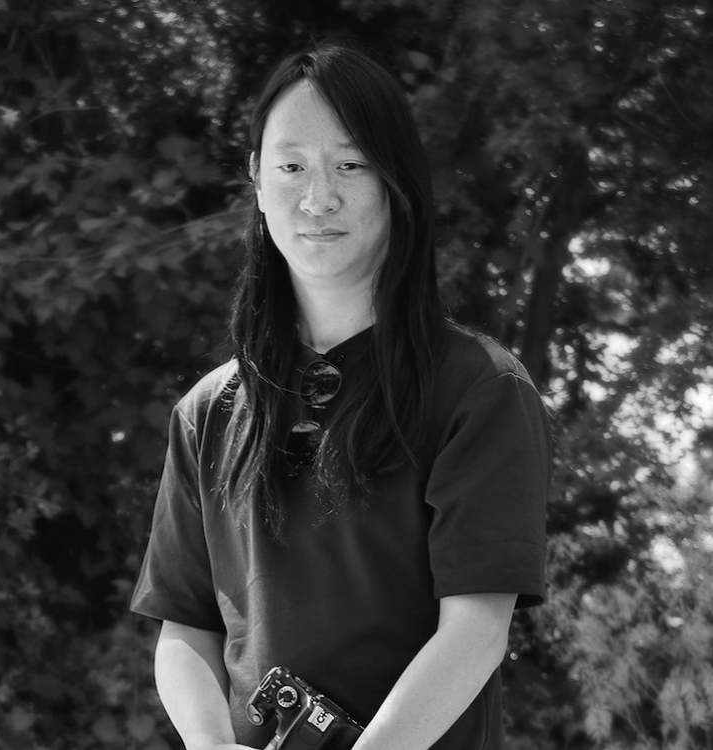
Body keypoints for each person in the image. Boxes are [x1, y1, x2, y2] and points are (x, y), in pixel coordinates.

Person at [130, 40, 551, 750]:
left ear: (395, 180)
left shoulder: (480, 390)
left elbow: (477, 629)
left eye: (350, 165)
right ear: (257, 180)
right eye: (291, 166)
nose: (318, 197)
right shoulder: (208, 411)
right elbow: (186, 628)